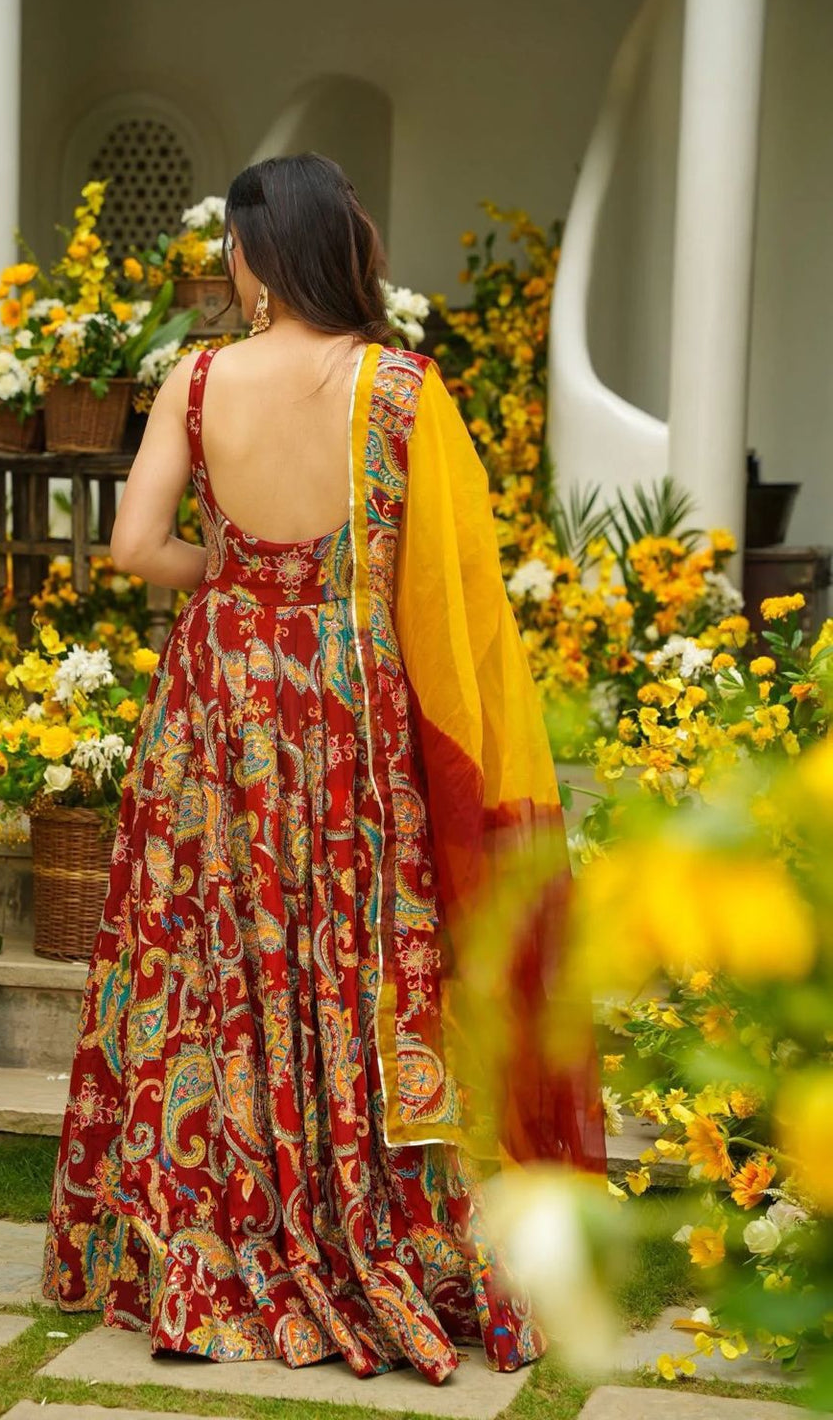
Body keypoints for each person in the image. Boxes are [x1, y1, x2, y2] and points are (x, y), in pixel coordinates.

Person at [42, 153, 605, 1384]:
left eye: (234, 247)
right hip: (351, 696)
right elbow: (447, 598)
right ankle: (377, 1230)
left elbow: (135, 545)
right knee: (356, 951)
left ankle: (207, 1248)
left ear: (256, 256)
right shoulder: (400, 391)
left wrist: (239, 582)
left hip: (220, 699)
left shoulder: (192, 381)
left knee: (214, 957)